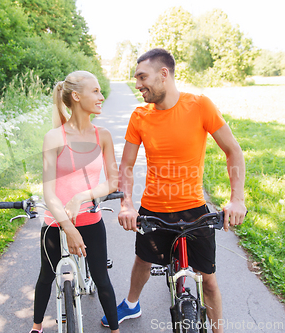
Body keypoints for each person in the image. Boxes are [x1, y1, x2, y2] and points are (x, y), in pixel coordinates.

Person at [100, 49, 247, 333]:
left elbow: (233, 151)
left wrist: (236, 199)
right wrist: (127, 205)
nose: (138, 84)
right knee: (143, 261)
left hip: (193, 209)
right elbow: (126, 165)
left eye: (143, 77)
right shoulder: (140, 115)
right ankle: (132, 304)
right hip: (154, 209)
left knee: (210, 280)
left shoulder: (200, 105)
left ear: (164, 74)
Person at [31, 70, 120, 333]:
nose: (101, 96)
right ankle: (36, 327)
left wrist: (82, 196)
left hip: (90, 219)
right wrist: (67, 227)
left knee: (102, 279)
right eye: (95, 91)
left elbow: (113, 182)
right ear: (76, 96)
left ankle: (115, 330)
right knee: (46, 276)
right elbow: (49, 193)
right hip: (56, 222)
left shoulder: (102, 135)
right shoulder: (54, 137)